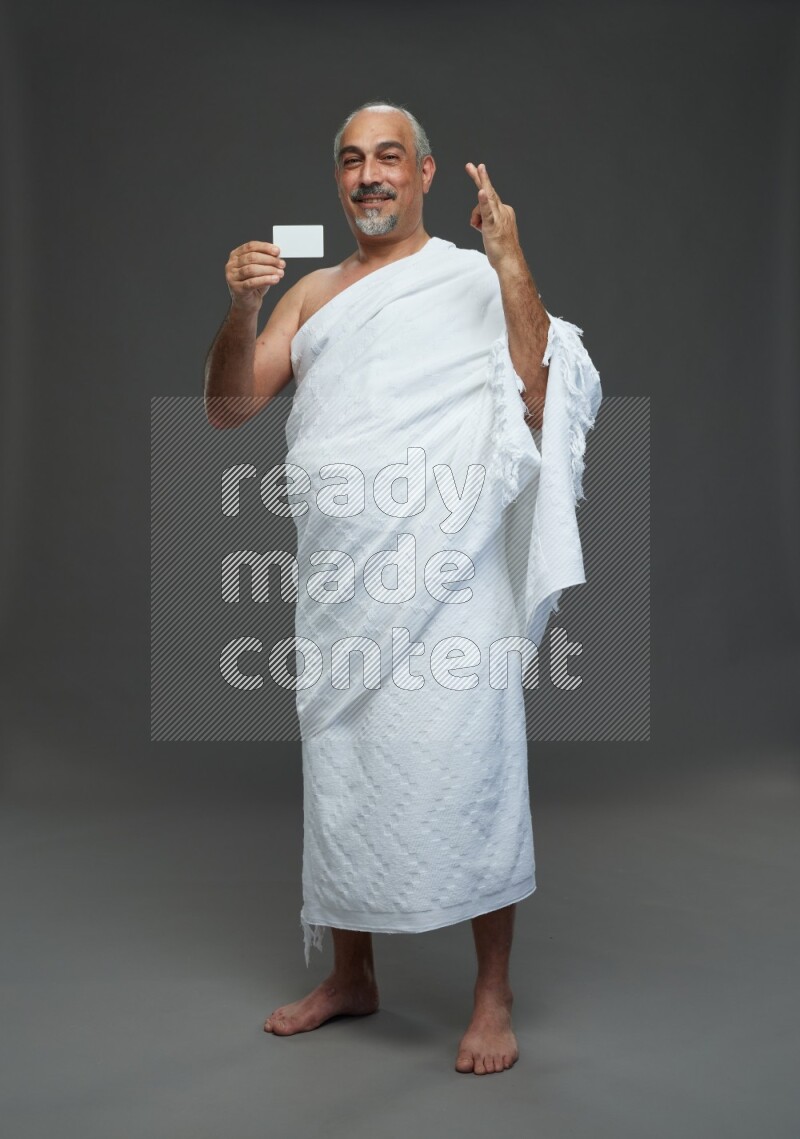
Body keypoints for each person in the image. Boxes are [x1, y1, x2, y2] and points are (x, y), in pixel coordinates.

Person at [204, 100, 602, 1075]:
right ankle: (352, 974)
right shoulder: (310, 292)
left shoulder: (469, 279)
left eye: (388, 157)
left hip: (449, 570)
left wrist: (508, 259)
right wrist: (244, 309)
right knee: (344, 770)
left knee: (470, 762)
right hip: (344, 572)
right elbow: (227, 407)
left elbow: (537, 390)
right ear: (337, 179)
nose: (368, 175)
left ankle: (491, 991)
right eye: (351, 161)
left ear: (424, 174)